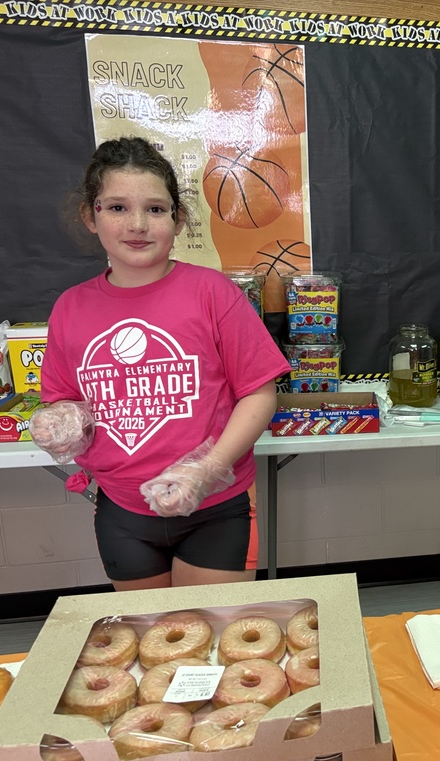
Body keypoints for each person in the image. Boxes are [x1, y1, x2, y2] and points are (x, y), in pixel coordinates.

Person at [32, 136, 290, 591]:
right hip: (121, 510)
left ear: (178, 218)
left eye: (155, 209)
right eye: (116, 208)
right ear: (90, 217)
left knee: (209, 636)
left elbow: (259, 393)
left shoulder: (214, 293)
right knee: (149, 641)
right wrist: (62, 421)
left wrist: (207, 469)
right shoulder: (71, 308)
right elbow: (65, 399)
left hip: (216, 507)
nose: (137, 224)